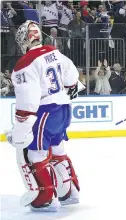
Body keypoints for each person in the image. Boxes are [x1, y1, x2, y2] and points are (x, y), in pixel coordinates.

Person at [5, 20, 80, 212]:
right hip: (63, 109)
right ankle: (69, 192)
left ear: (23, 39)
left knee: (35, 154)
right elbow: (72, 76)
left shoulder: (24, 64)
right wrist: (69, 89)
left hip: (44, 111)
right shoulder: (53, 51)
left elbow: (28, 101)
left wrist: (21, 130)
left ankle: (44, 198)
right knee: (58, 149)